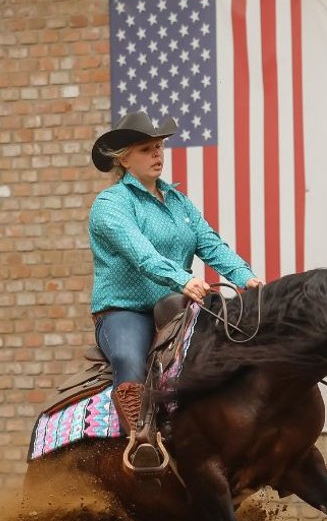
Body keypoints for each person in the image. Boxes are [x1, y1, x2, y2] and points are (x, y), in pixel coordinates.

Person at [89, 110, 262, 471]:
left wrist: (246, 278)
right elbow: (140, 253)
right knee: (129, 357)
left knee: (233, 344)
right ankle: (141, 440)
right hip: (126, 310)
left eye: (159, 147)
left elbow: (210, 244)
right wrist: (182, 278)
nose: (157, 154)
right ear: (124, 160)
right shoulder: (110, 205)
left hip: (176, 305)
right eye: (146, 149)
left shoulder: (178, 202)